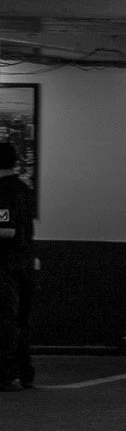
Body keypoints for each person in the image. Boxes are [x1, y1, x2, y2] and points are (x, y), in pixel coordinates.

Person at [0, 140, 34, 393]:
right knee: (19, 318)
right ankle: (24, 371)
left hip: (5, 263)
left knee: (4, 318)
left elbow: (6, 230)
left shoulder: (1, 190)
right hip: (24, 261)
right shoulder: (24, 188)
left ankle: (6, 374)